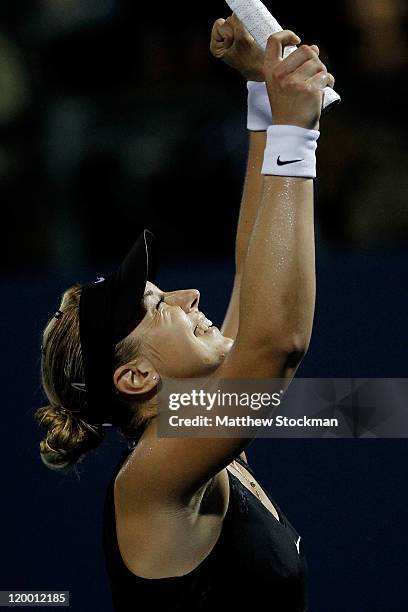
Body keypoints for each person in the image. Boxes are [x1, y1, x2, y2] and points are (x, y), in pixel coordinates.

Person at [36, 14, 334, 612]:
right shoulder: (151, 478)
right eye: (156, 305)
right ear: (137, 377)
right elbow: (275, 343)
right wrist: (296, 136)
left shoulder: (198, 428)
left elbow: (257, 280)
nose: (188, 298)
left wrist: (262, 96)